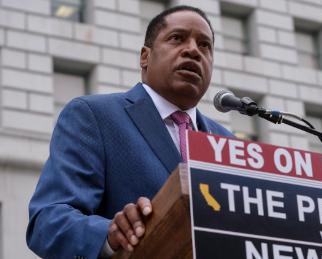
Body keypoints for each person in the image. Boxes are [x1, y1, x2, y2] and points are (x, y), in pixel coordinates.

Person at [26, 5, 233, 258]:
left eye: (204, 45)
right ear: (145, 57)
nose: (193, 50)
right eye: (177, 38)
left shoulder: (227, 143)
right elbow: (48, 221)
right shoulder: (94, 116)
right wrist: (111, 235)